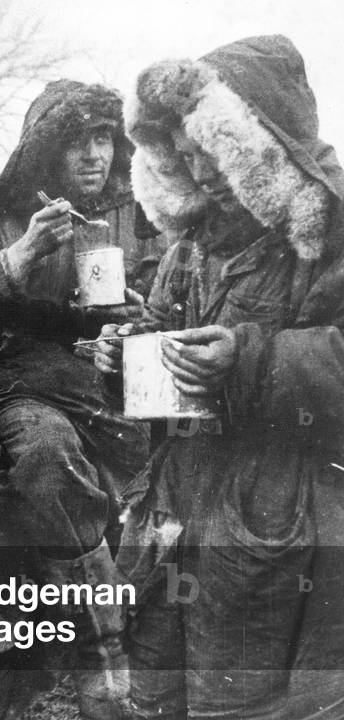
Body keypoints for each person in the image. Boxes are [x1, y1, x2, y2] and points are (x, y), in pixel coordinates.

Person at [94, 35, 344, 719]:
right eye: (182, 148)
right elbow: (164, 352)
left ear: (257, 140)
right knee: (156, 695)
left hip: (273, 515)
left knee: (243, 703)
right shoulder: (190, 248)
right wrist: (127, 360)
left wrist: (249, 356)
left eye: (210, 145)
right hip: (173, 510)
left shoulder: (328, 233)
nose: (197, 169)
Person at [0, 80, 165, 718]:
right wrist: (18, 259)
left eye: (104, 138)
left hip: (116, 372)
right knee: (47, 456)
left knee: (170, 464)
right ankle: (104, 647)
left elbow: (176, 290)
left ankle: (157, 629)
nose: (95, 154)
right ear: (45, 149)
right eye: (78, 141)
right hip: (20, 379)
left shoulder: (140, 209)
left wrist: (141, 316)